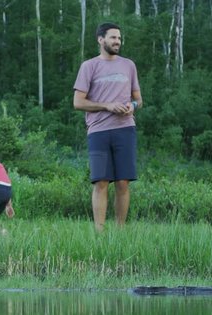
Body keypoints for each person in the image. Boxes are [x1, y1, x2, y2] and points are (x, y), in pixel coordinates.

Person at [73, 22, 143, 232]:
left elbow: (139, 99)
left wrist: (132, 106)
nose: (117, 42)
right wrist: (107, 106)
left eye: (119, 38)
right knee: (101, 182)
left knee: (123, 182)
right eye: (113, 38)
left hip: (125, 129)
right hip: (98, 131)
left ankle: (120, 232)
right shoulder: (89, 66)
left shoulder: (129, 65)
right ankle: (99, 233)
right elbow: (78, 102)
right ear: (100, 39)